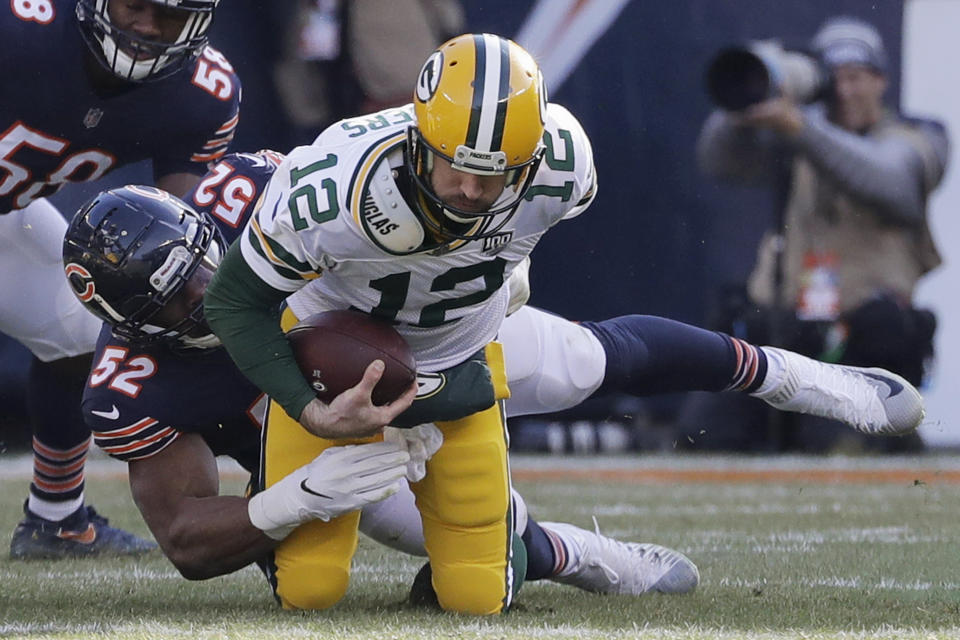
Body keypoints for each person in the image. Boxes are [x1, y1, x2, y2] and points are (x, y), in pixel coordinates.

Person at [201, 34, 923, 614]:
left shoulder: (559, 163)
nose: (472, 190)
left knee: (582, 371)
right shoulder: (332, 187)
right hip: (340, 367)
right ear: (418, 134)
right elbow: (235, 303)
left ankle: (799, 378)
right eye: (456, 166)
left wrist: (508, 272)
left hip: (461, 349)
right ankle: (558, 550)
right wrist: (312, 410)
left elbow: (516, 234)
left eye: (498, 174)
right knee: (314, 587)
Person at [62, 151, 701, 598]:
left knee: (585, 363)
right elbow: (185, 539)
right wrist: (293, 498)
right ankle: (579, 557)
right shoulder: (130, 386)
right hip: (318, 451)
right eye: (176, 298)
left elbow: (377, 226)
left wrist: (489, 275)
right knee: (454, 537)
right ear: (134, 324)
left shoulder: (252, 192)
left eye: (205, 265)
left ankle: (781, 377)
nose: (206, 293)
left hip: (412, 334)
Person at [3, 0, 241, 559]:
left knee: (80, 332)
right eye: (137, 5)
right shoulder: (20, 28)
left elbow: (190, 229)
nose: (147, 27)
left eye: (169, 17)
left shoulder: (201, 94)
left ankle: (56, 520)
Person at [682, 15, 948, 452]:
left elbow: (890, 183)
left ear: (881, 81)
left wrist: (800, 127)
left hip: (858, 342)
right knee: (702, 438)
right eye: (834, 79)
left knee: (835, 448)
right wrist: (748, 98)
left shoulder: (919, 138)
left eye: (856, 78)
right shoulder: (790, 139)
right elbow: (718, 161)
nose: (843, 92)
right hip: (779, 332)